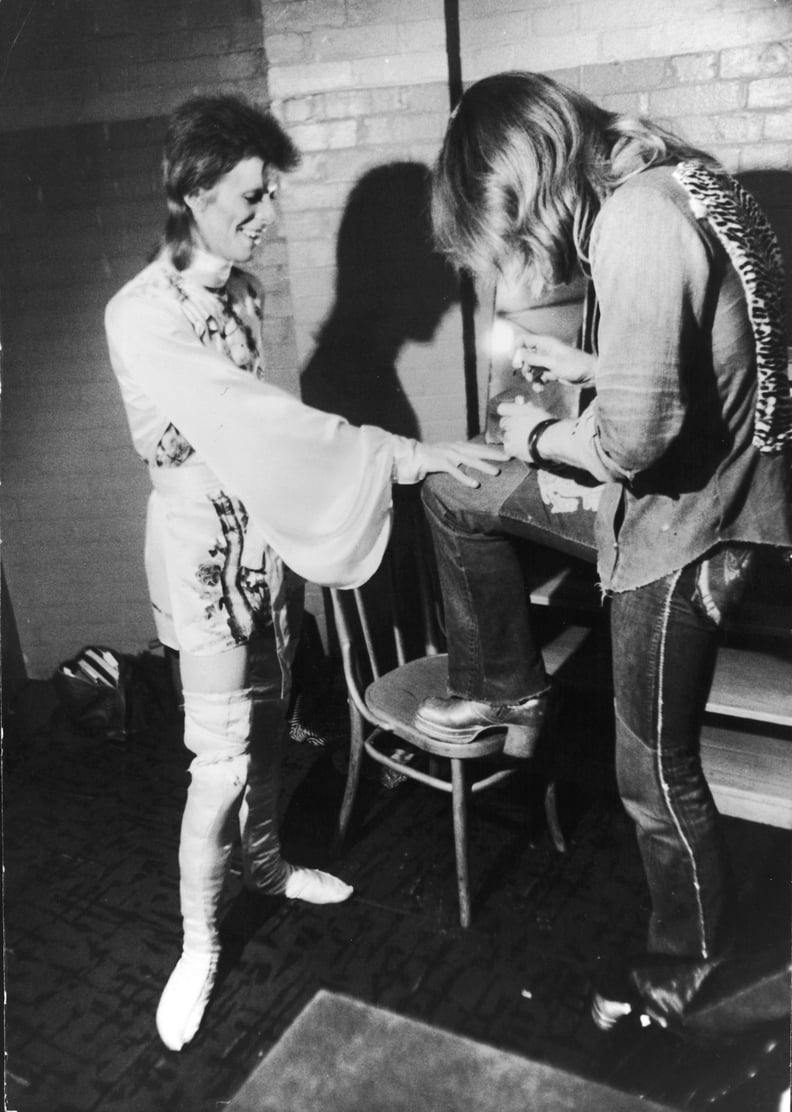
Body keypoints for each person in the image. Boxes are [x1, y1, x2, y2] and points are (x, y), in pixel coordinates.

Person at [105, 93, 503, 1052]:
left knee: (277, 725)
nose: (267, 218)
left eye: (273, 197)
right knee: (221, 766)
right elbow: (262, 426)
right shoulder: (140, 314)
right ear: (193, 192)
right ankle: (200, 945)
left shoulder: (238, 294)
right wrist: (408, 455)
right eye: (249, 199)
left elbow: (266, 439)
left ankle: (272, 864)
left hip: (261, 548)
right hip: (202, 559)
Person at [414, 72, 792, 1028]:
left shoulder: (632, 221)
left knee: (653, 775)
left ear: (528, 183)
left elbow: (635, 442)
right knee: (456, 492)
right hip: (719, 501)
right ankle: (511, 688)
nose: (517, 267)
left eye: (506, 237)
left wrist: (535, 438)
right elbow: (707, 357)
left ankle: (689, 969)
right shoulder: (681, 181)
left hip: (687, 530)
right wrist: (588, 368)